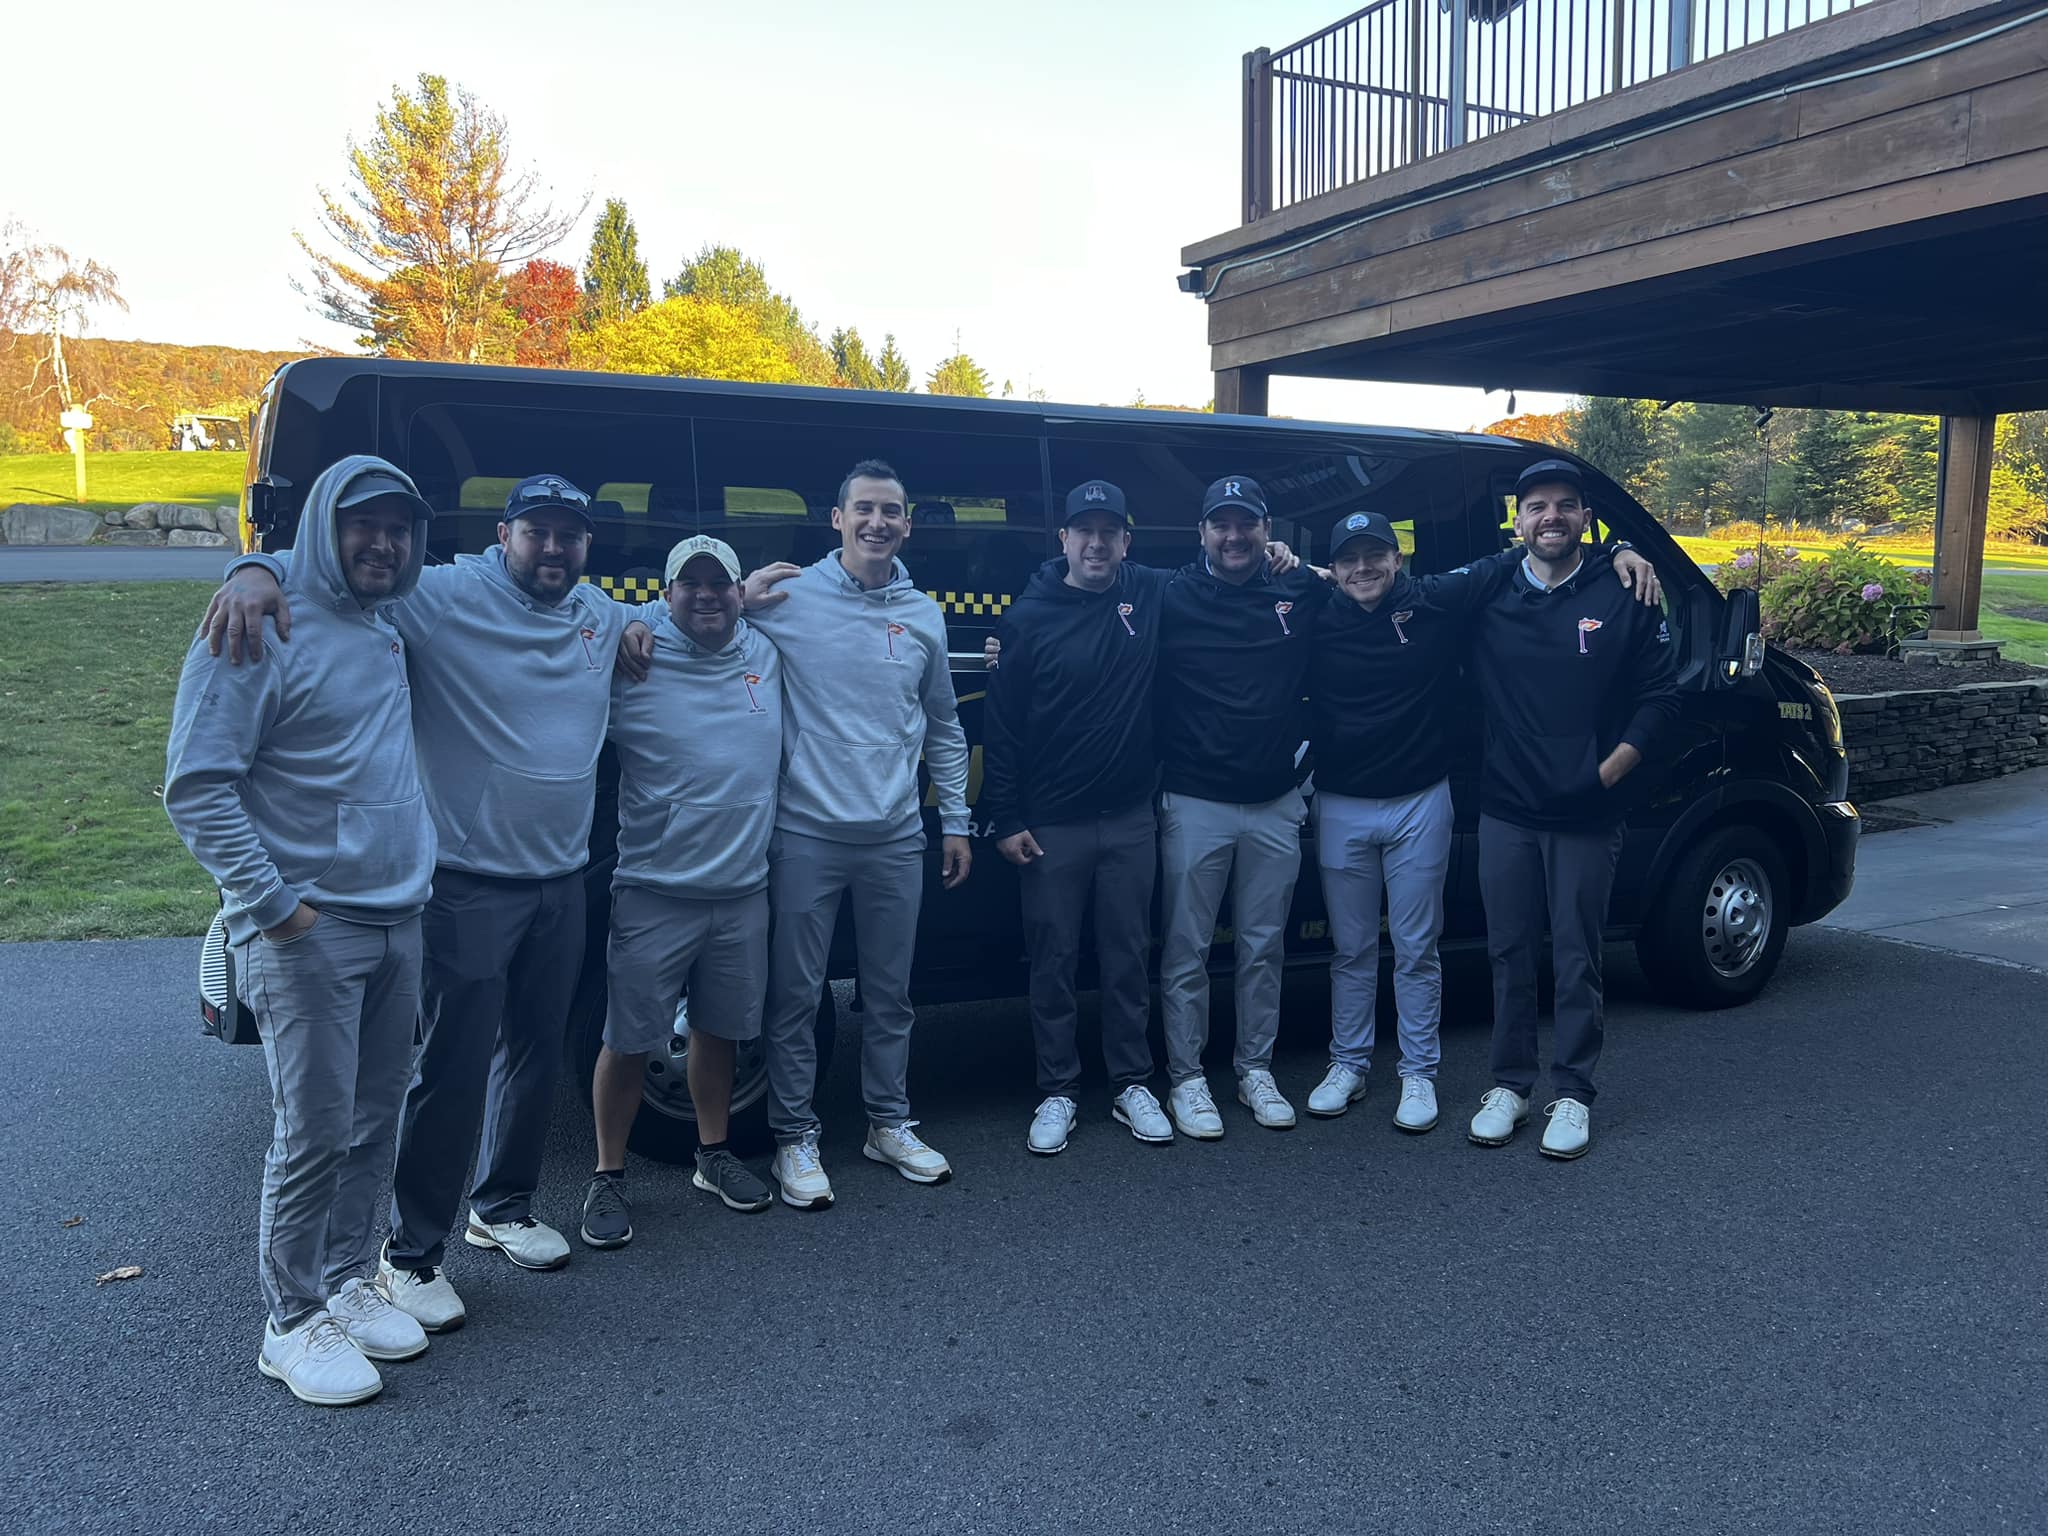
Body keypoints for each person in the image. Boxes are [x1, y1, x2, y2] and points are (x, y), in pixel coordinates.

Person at [200, 473, 629, 1330]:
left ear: (587, 548)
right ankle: (413, 1254)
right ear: (503, 535)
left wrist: (752, 589)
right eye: (537, 531)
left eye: (570, 536)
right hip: (467, 881)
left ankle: (501, 1207)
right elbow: (340, 568)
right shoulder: (441, 594)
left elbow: (699, 613)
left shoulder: (604, 614)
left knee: (538, 1053)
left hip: (562, 877)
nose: (554, 549)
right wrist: (252, 568)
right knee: (453, 1069)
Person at [164, 456, 436, 1407]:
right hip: (306, 930)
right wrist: (274, 906)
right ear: (326, 524)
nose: (383, 542)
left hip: (399, 915)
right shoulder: (257, 623)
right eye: (363, 523)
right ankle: (290, 1320)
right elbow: (197, 784)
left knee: (374, 1120)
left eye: (399, 527)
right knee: (313, 1130)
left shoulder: (388, 622)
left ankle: (353, 1281)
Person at [1305, 510, 1662, 1134]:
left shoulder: (1435, 601)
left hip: (1421, 797)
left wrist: (1620, 548)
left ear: (1398, 560)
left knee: (1419, 948)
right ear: (1331, 570)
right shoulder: (1312, 606)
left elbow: (1541, 550)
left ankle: (1420, 1074)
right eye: (1348, 560)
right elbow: (1260, 581)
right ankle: (1349, 1064)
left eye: (1375, 556)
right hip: (1342, 801)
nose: (1362, 569)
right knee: (1353, 948)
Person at [731, 460, 972, 1206]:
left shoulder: (924, 613)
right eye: (863, 509)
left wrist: (956, 819)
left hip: (898, 833)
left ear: (908, 525)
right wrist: (735, 600)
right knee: (796, 996)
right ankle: (794, 1137)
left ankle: (887, 1123)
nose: (878, 523)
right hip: (805, 831)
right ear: (836, 519)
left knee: (891, 994)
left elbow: (943, 724)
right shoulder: (788, 595)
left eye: (891, 512)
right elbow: (698, 628)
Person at [1464, 460, 1680, 1160]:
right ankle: (1511, 1084)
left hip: (1587, 808)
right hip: (1507, 804)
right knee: (1509, 952)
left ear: (1587, 518)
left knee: (1577, 954)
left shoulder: (1625, 588)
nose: (1550, 517)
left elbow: (1662, 694)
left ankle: (1574, 1092)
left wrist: (1612, 767)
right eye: (1535, 506)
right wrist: (1305, 570)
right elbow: (1394, 590)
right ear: (1517, 520)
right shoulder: (1492, 584)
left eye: (1565, 505)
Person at [582, 536, 781, 1247]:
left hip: (742, 890)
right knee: (627, 1041)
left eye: (719, 584)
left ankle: (713, 1154)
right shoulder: (635, 656)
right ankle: (607, 1175)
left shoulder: (765, 651)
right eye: (688, 584)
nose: (706, 595)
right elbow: (584, 620)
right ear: (666, 595)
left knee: (721, 1032)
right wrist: (630, 619)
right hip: (653, 889)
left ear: (738, 591)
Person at [981, 480, 1177, 1155]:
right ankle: (1058, 1090)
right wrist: (1004, 818)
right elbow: (1000, 728)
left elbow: (1222, 574)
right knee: (1054, 962)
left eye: (1110, 531)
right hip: (1051, 825)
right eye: (1083, 531)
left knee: (1128, 959)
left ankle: (1131, 1083)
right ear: (1062, 538)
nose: (1097, 543)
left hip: (1129, 819)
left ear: (1127, 539)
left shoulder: (1149, 591)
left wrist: (1286, 557)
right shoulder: (1027, 616)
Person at [1153, 476, 1324, 1138]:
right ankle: (1188, 1080)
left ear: (1265, 529)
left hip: (1275, 800)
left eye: (1245, 524)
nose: (1233, 536)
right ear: (1201, 533)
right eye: (1220, 524)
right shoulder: (1169, 592)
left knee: (1263, 947)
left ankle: (1255, 1070)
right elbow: (1086, 565)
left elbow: (1366, 581)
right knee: (1186, 949)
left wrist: (1303, 563)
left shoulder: (1295, 588)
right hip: (1195, 800)